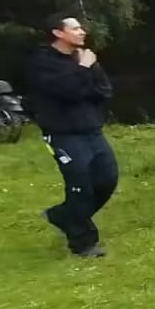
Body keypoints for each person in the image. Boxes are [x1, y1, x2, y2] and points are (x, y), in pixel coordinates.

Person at [25, 14, 118, 258]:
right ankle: (83, 243)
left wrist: (82, 81)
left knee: (107, 180)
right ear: (58, 33)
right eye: (75, 28)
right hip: (63, 133)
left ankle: (63, 215)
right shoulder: (44, 62)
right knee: (80, 186)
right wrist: (83, 70)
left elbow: (104, 90)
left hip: (92, 129)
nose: (82, 32)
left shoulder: (84, 57)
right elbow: (64, 90)